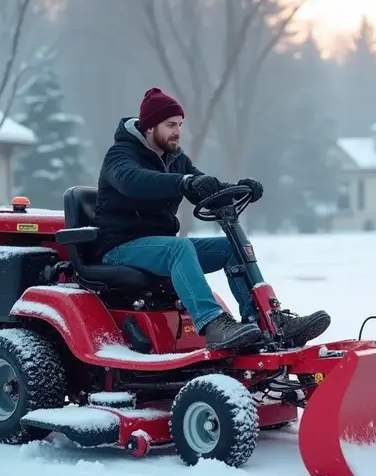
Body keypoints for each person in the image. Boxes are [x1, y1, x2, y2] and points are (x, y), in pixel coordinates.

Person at [93, 87, 331, 350]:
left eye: (180, 125)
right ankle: (213, 323)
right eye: (170, 124)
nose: (177, 131)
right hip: (121, 248)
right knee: (179, 248)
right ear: (149, 127)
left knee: (230, 248)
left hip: (159, 246)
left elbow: (204, 186)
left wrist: (239, 188)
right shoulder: (120, 156)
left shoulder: (175, 159)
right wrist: (184, 182)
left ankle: (266, 322)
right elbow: (133, 181)